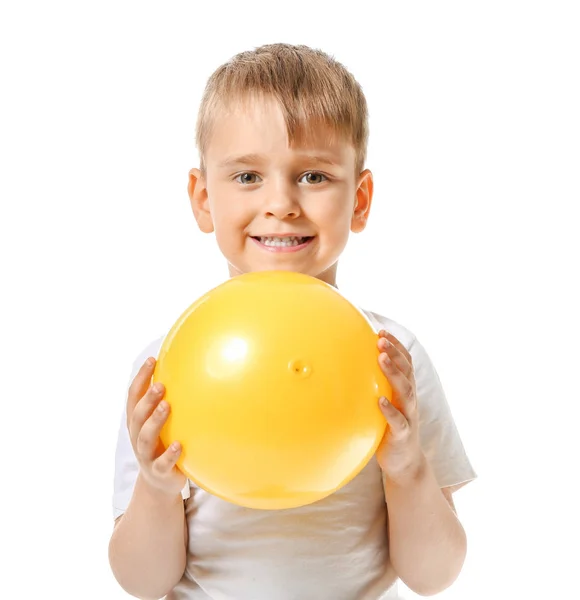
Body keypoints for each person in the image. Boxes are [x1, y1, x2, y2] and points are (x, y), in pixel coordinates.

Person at [108, 43, 477, 600]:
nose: (281, 203)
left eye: (313, 176)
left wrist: (408, 469)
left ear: (360, 198)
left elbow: (434, 576)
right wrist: (157, 489)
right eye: (248, 177)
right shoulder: (169, 368)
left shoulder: (391, 356)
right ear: (204, 198)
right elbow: (140, 582)